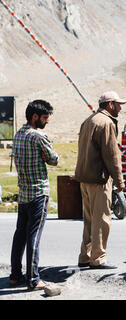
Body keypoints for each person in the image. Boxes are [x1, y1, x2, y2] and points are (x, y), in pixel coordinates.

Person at [10, 100, 59, 290]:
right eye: (45, 118)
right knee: (34, 236)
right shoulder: (38, 136)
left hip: (23, 193)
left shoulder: (18, 135)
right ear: (35, 117)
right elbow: (53, 159)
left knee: (20, 234)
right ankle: (33, 279)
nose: (47, 121)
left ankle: (15, 275)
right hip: (38, 192)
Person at [74, 91, 126, 269]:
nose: (120, 108)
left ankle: (85, 256)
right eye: (118, 104)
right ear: (110, 104)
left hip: (84, 178)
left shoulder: (88, 120)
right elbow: (111, 155)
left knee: (89, 220)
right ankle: (98, 258)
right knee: (102, 219)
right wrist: (120, 181)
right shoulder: (106, 122)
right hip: (99, 179)